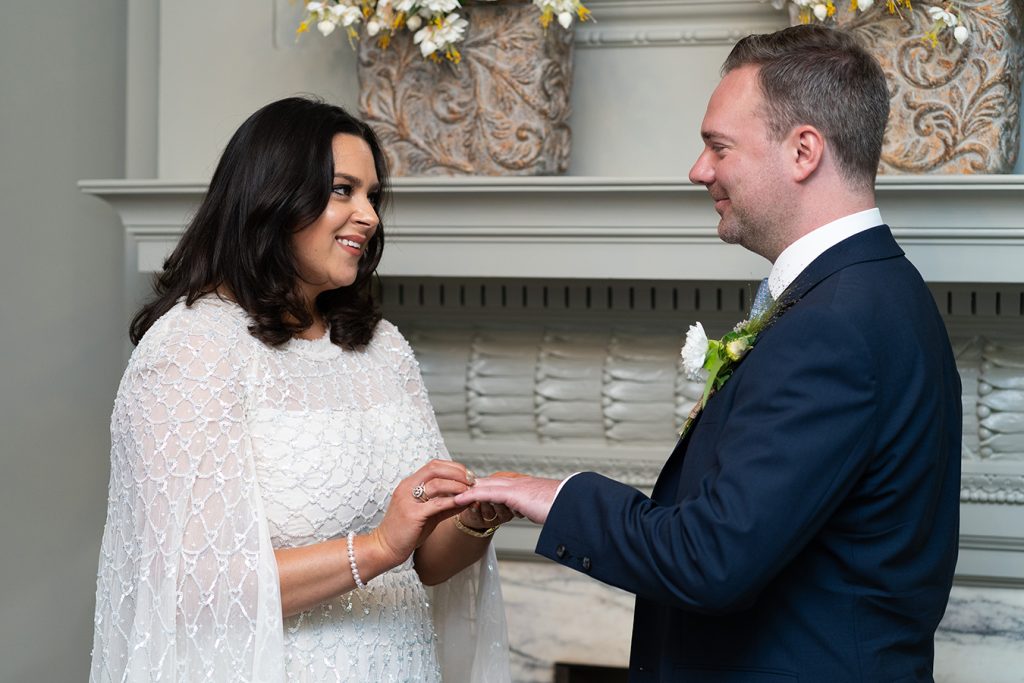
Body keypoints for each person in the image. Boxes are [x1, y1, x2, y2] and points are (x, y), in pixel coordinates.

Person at [456, 25, 962, 682]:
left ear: (804, 150)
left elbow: (711, 556)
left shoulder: (834, 322)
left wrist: (555, 495)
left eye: (718, 147)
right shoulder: (876, 292)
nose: (700, 170)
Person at [90, 97, 513, 682]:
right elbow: (188, 587)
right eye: (343, 190)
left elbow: (426, 563)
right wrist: (376, 548)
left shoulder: (381, 347)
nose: (368, 216)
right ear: (271, 197)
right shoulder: (193, 348)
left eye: (372, 196)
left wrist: (474, 519)